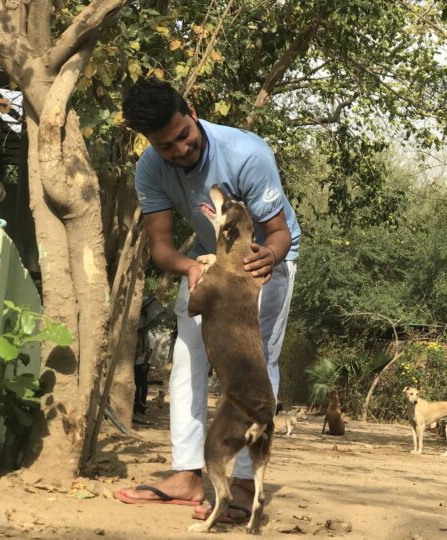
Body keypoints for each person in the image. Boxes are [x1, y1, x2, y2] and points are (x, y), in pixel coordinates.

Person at [114, 78, 300, 522]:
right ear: (151, 144)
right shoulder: (149, 169)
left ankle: (239, 482)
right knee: (187, 356)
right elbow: (161, 247)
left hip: (265, 260)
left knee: (256, 366)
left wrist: (267, 259)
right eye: (166, 146)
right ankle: (187, 474)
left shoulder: (246, 153)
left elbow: (280, 233)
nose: (180, 150)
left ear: (192, 112)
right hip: (207, 262)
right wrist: (189, 268)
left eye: (184, 136)